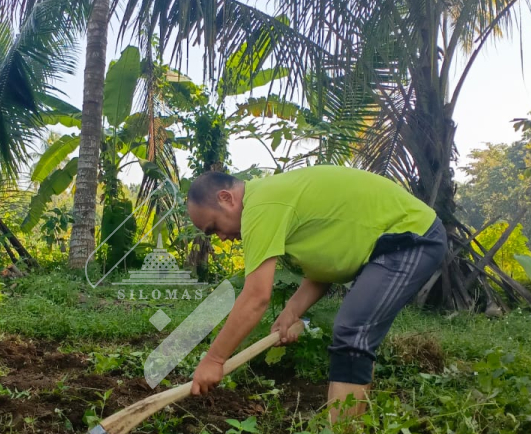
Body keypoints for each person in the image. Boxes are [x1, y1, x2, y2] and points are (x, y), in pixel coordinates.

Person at [186, 166, 447, 418]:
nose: (220, 237)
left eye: (214, 227)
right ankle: (350, 433)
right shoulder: (269, 200)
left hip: (412, 236)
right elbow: (324, 269)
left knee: (352, 331)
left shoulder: (261, 206)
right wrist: (292, 311)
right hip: (395, 240)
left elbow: (256, 297)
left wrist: (214, 359)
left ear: (226, 198)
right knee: (354, 333)